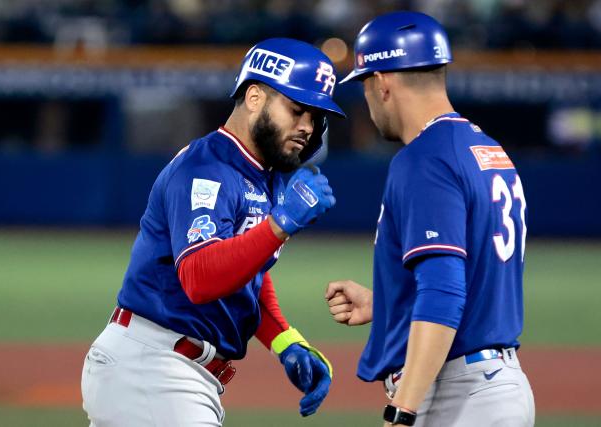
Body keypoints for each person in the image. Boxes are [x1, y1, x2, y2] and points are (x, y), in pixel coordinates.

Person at [81, 38, 346, 427]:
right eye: (297, 109)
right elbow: (200, 277)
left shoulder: (263, 174)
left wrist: (283, 340)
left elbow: (247, 274)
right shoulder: (206, 170)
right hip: (152, 367)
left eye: (317, 116)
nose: (308, 126)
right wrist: (280, 224)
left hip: (172, 374)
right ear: (254, 97)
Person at [325, 11, 535, 427]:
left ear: (383, 83)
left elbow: (443, 293)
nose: (366, 99)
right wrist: (390, 303)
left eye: (365, 85)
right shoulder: (485, 149)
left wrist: (401, 411)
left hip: (461, 395)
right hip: (495, 383)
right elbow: (473, 277)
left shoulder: (425, 159)